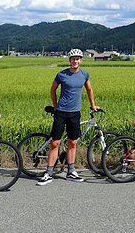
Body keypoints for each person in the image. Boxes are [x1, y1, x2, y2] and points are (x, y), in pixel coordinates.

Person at [37, 48, 99, 185]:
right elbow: (53, 89)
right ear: (69, 60)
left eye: (77, 58)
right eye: (73, 59)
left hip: (75, 113)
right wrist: (55, 105)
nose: (75, 61)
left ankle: (71, 171)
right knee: (55, 142)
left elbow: (89, 89)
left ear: (81, 60)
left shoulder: (84, 75)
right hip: (61, 112)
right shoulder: (61, 75)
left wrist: (93, 105)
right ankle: (49, 172)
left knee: (72, 142)